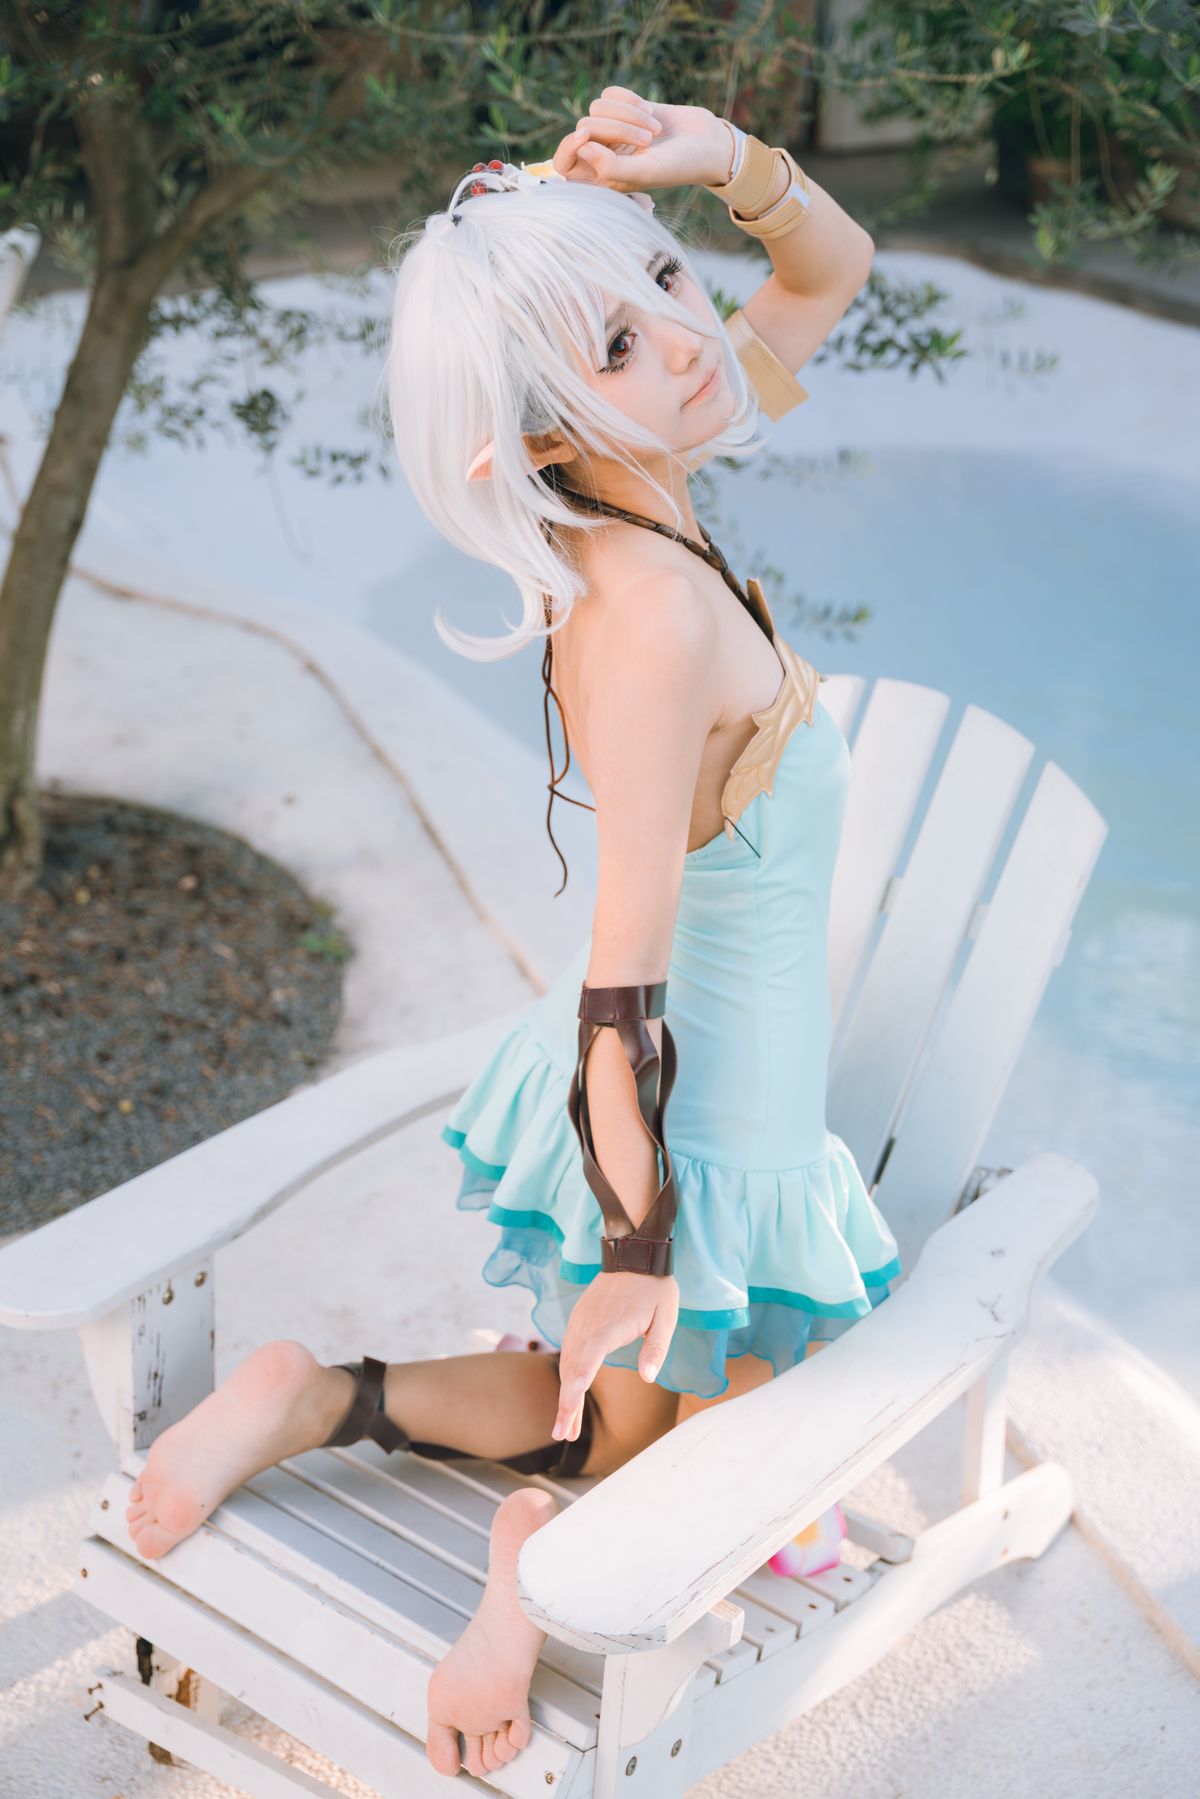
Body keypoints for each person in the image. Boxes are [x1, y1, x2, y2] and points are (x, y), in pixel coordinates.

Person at [121, 87, 902, 1784]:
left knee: (619, 1414)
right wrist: (641, 1246)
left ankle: (316, 1395)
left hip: (692, 1107)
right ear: (541, 431)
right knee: (697, 1468)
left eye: (667, 282)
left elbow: (830, 272)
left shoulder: (649, 496)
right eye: (618, 341)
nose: (686, 341)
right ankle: (518, 1573)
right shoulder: (653, 615)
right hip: (697, 1129)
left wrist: (718, 160)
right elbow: (624, 992)